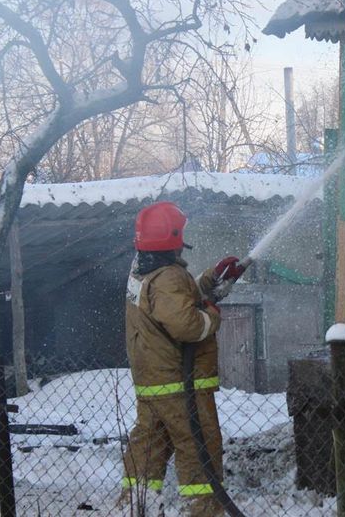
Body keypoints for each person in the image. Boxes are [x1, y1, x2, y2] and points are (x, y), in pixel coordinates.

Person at [119, 201, 245, 517]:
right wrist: (212, 315)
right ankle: (203, 509)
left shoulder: (143, 270)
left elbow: (174, 302)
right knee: (198, 444)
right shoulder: (168, 277)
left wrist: (212, 278)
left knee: (150, 444)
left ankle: (136, 505)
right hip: (180, 383)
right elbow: (187, 325)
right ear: (173, 236)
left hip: (154, 382)